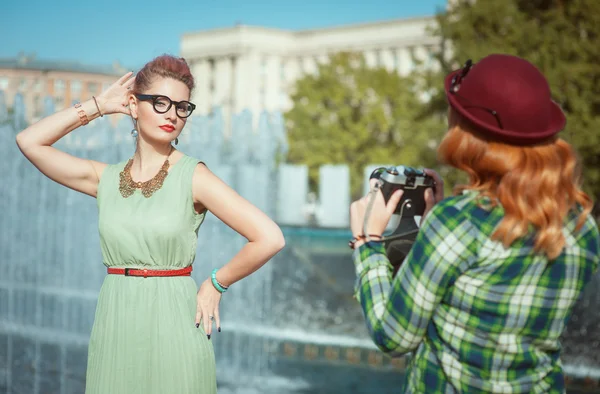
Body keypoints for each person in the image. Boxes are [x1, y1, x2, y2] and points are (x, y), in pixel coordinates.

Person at [15, 54, 285, 394]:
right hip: (115, 322)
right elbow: (29, 141)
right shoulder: (106, 178)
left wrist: (216, 283)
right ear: (133, 104)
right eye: (160, 103)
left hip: (175, 321)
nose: (172, 114)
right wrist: (99, 105)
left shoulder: (194, 176)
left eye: (182, 107)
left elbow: (269, 237)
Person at [349, 54, 599, 393]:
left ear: (467, 133)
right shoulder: (583, 228)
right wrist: (434, 235)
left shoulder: (456, 223)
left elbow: (394, 337)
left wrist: (369, 242)